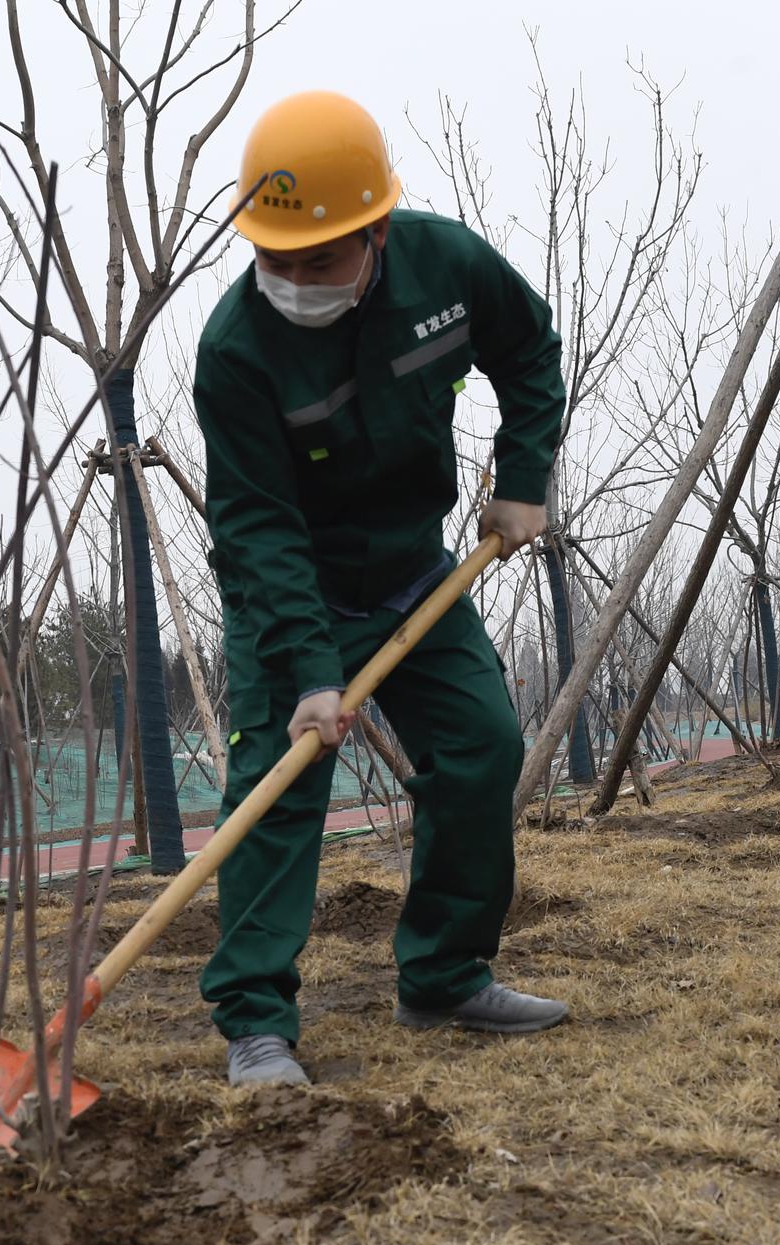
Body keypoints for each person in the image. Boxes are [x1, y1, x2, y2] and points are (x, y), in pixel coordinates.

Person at [193, 91, 571, 1089]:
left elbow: (528, 350)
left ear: (370, 231)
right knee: (274, 793)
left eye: (315, 259)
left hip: (413, 577)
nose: (290, 279)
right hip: (293, 598)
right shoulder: (234, 349)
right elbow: (255, 524)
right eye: (272, 256)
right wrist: (312, 675)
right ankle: (256, 1022)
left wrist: (522, 479)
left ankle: (443, 975)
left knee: (480, 745)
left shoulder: (445, 265)